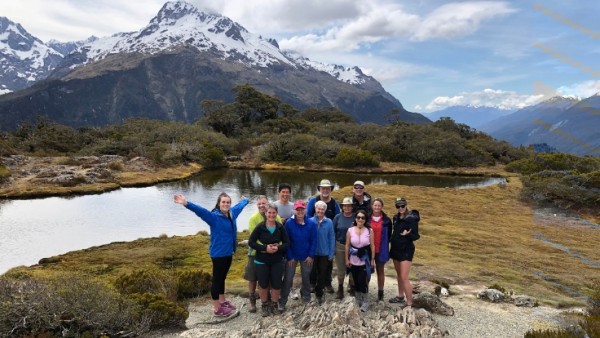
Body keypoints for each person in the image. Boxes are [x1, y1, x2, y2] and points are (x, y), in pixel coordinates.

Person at [174, 192, 249, 317]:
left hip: (229, 252)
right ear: (219, 204)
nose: (226, 204)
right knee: (217, 280)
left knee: (223, 278)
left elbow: (240, 206)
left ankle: (222, 300)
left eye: (228, 202)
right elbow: (201, 211)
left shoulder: (232, 213)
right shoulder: (213, 217)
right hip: (218, 254)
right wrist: (186, 203)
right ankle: (217, 308)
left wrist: (245, 200)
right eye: (223, 202)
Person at [248, 203, 290, 317]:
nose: (271, 215)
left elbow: (287, 243)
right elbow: (251, 242)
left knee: (276, 284)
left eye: (273, 213)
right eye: (269, 213)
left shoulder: (280, 227)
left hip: (277, 260)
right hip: (261, 260)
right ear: (265, 214)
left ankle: (274, 305)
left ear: (276, 214)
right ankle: (264, 305)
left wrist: (278, 248)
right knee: (263, 284)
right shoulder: (260, 227)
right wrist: (265, 248)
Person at [244, 195, 282, 313]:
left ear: (268, 205)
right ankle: (252, 301)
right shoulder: (253, 218)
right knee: (252, 277)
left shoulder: (277, 217)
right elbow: (253, 238)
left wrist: (275, 247)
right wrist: (266, 248)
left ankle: (270, 301)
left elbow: (280, 235)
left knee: (269, 278)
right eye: (259, 204)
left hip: (271, 254)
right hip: (255, 253)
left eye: (264, 203)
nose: (261, 206)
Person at [279, 200, 317, 310]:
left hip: (306, 256)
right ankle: (283, 301)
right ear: (294, 210)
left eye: (302, 209)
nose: (300, 211)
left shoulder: (311, 223)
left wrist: (311, 255)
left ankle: (306, 297)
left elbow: (313, 241)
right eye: (298, 209)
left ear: (305, 210)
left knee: (306, 277)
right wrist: (289, 256)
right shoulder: (289, 223)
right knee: (288, 278)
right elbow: (287, 241)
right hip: (292, 256)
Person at [306, 179, 340, 294]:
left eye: (327, 188)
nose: (325, 190)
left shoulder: (334, 203)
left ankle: (327, 283)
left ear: (330, 189)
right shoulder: (312, 201)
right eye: (323, 188)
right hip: (314, 235)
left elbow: (338, 219)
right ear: (319, 189)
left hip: (328, 234)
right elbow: (307, 217)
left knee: (327, 263)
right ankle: (312, 283)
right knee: (313, 263)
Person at [389, 197, 420, 308]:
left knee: (404, 277)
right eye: (398, 206)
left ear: (406, 205)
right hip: (395, 248)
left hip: (406, 250)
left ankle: (409, 302)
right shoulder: (395, 217)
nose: (400, 208)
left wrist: (408, 234)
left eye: (402, 205)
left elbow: (416, 236)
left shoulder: (411, 219)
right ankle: (400, 296)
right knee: (399, 275)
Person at [345, 210, 375, 312]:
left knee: (363, 281)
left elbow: (372, 246)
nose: (360, 219)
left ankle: (366, 301)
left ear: (365, 219)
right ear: (355, 218)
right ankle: (358, 300)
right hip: (353, 260)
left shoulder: (369, 230)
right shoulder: (350, 230)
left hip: (364, 260)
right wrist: (346, 259)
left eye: (363, 218)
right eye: (358, 217)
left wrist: (372, 259)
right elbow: (347, 245)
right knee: (356, 281)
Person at [310, 201, 335, 304]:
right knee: (311, 273)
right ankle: (309, 290)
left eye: (322, 209)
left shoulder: (329, 222)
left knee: (322, 274)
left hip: (324, 253)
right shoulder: (310, 221)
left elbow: (331, 237)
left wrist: (331, 253)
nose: (320, 211)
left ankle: (319, 294)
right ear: (315, 210)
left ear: (325, 210)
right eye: (318, 209)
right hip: (312, 253)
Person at [369, 198, 393, 301]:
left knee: (380, 271)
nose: (377, 207)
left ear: (382, 207)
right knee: (367, 270)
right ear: (372, 206)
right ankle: (365, 291)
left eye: (379, 205)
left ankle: (380, 292)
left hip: (381, 249)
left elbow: (389, 235)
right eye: (375, 205)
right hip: (368, 249)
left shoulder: (387, 220)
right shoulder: (367, 218)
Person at [332, 197, 355, 299]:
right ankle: (340, 288)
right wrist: (332, 247)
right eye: (345, 206)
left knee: (352, 267)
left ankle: (352, 287)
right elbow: (333, 233)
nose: (347, 208)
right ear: (342, 207)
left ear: (352, 207)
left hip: (353, 246)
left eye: (349, 206)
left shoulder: (356, 217)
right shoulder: (337, 217)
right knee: (341, 268)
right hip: (340, 245)